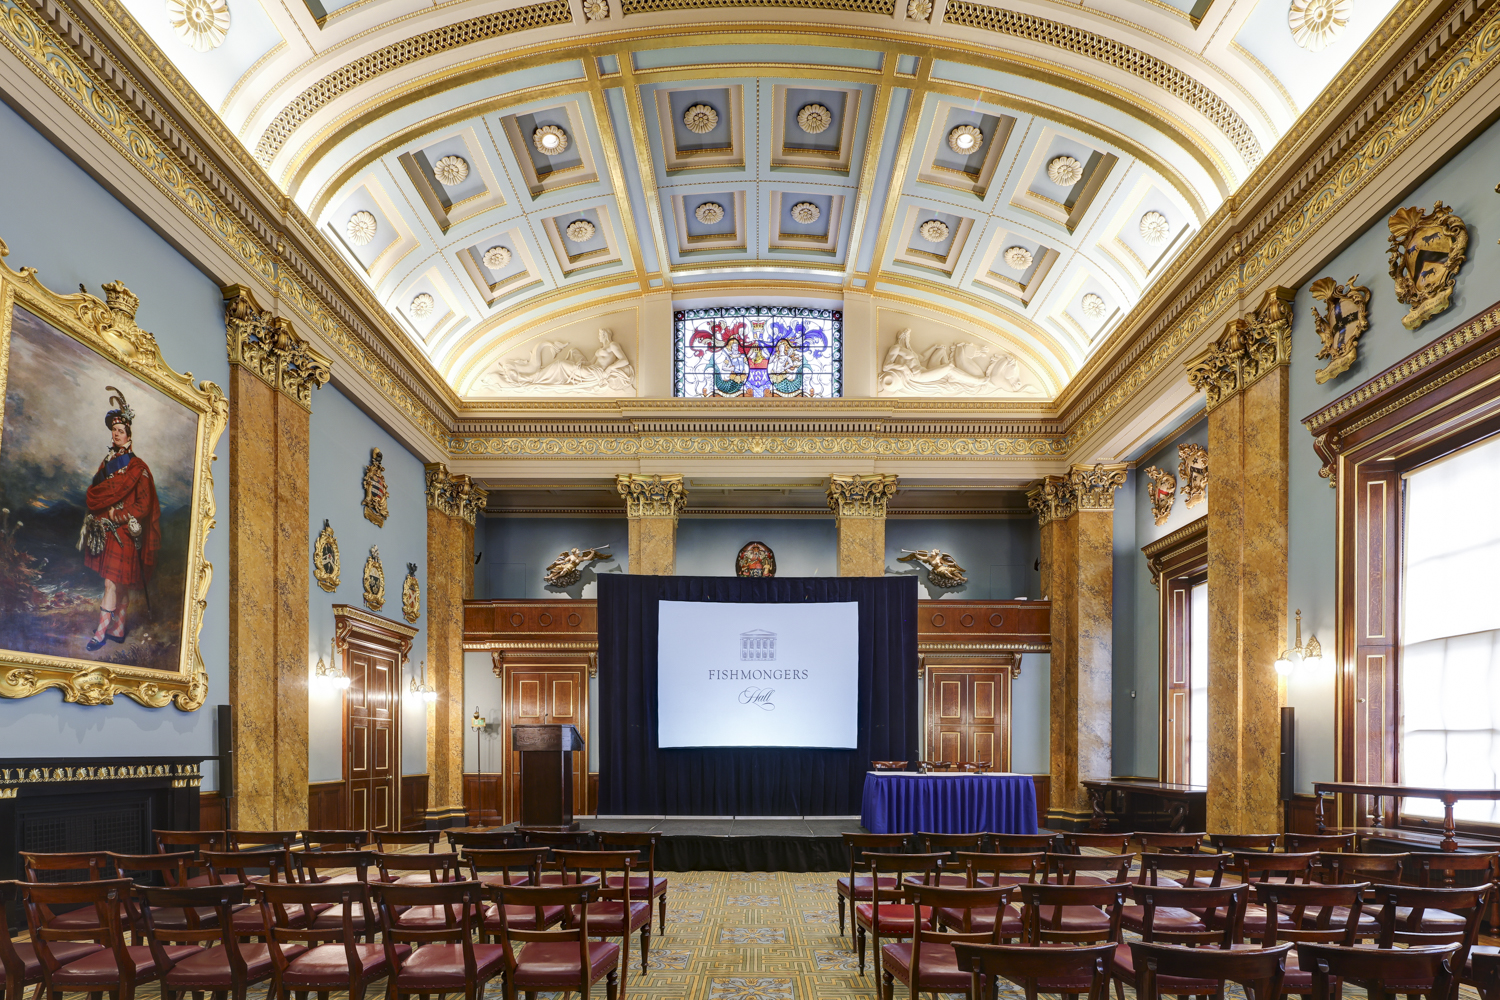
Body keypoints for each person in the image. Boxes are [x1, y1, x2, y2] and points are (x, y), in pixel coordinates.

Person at [78, 386, 161, 651]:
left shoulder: (139, 468)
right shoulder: (107, 463)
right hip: (108, 530)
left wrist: (119, 515)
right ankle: (119, 627)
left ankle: (101, 633)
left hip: (125, 532)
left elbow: (144, 506)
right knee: (117, 582)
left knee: (113, 582)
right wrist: (106, 514)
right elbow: (97, 493)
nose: (116, 434)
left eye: (120, 431)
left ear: (129, 436)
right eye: (113, 431)